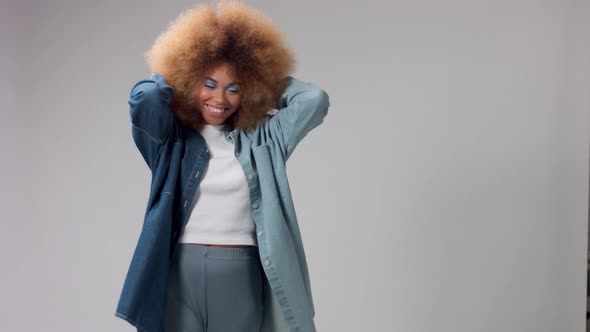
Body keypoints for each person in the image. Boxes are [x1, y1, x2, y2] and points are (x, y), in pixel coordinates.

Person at [114, 2, 330, 332]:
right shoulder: (171, 141)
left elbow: (313, 100)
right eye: (209, 84)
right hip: (178, 275)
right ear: (190, 80)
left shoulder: (264, 139)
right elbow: (144, 100)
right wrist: (174, 76)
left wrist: (265, 81)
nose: (220, 99)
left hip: (238, 275)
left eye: (234, 88)